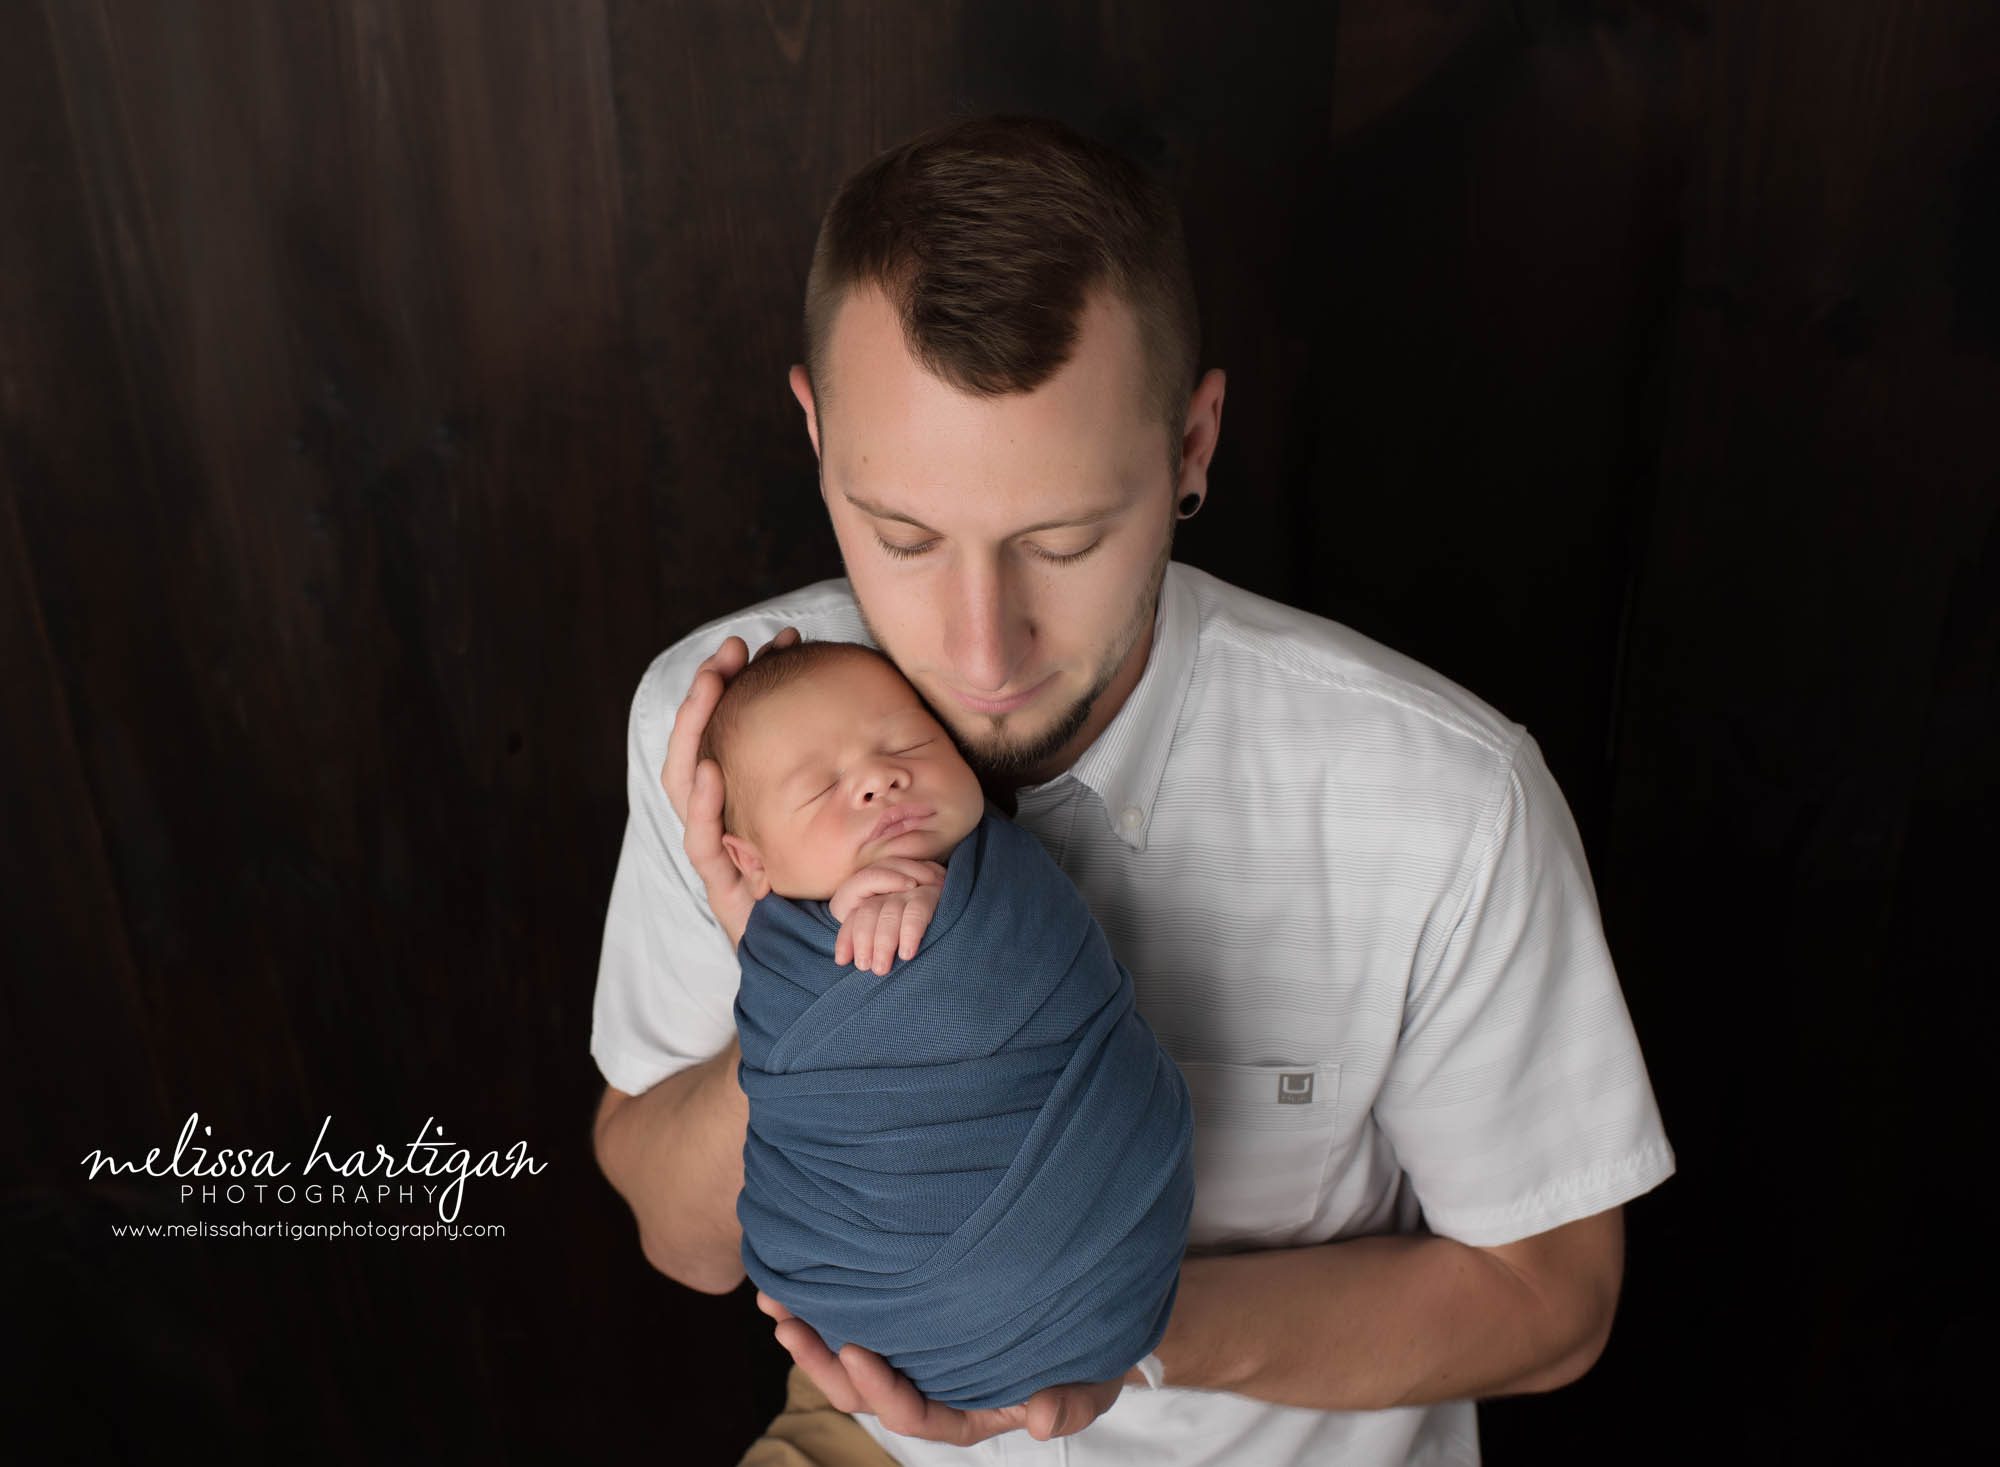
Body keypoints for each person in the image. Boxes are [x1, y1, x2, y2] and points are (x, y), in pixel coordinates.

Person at [590, 113, 1675, 1466]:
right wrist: (799, 996)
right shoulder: (725, 730)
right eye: (903, 535)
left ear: (1191, 444)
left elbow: (1552, 1303)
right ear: (815, 432)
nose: (981, 652)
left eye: (1063, 541)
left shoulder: (1447, 801)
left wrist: (1112, 1335)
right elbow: (681, 1239)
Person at [704, 637, 1195, 1412]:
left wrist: (955, 925)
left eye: (908, 744)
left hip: (1105, 1265)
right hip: (868, 1317)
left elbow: (1047, 967)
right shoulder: (773, 959)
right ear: (750, 860)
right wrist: (810, 956)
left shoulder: (1015, 882)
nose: (879, 778)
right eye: (822, 786)